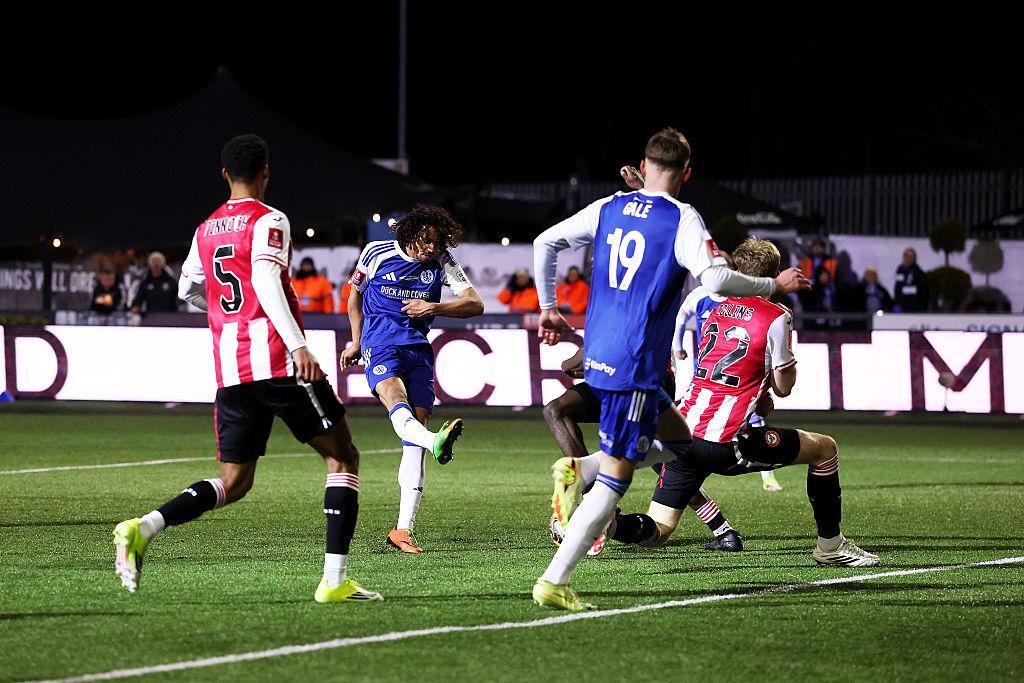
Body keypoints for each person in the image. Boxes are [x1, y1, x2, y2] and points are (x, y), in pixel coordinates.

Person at [530, 128, 809, 611]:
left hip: (599, 352)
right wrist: (771, 284)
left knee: (682, 446)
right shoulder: (681, 217)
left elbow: (544, 242)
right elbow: (718, 278)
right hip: (636, 360)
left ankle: (585, 471)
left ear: (644, 161)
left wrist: (549, 307)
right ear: (687, 172)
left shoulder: (609, 207)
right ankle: (558, 566)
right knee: (617, 475)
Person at [113, 134, 382, 603]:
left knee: (235, 482)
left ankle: (144, 527)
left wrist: (227, 314)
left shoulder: (205, 228)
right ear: (266, 171)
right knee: (343, 458)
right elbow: (261, 277)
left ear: (224, 175)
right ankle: (334, 581)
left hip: (231, 370)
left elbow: (187, 291)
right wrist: (299, 345)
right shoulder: (269, 218)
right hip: (279, 362)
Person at [614, 238, 879, 567]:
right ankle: (830, 546)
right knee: (824, 449)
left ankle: (610, 524)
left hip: (683, 434)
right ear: (775, 274)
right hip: (727, 442)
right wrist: (782, 373)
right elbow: (784, 388)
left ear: (736, 271)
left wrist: (757, 393)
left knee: (660, 530)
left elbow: (729, 371)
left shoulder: (715, 309)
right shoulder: (776, 316)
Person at [341, 204, 484, 553]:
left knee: (413, 438)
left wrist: (433, 307)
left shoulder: (444, 262)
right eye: (426, 240)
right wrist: (357, 341)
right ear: (409, 235)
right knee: (395, 398)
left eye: (437, 242)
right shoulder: (375, 252)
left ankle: (402, 530)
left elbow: (474, 303)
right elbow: (353, 299)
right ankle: (435, 441)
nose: (431, 248)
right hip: (380, 344)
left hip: (418, 350)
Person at [544, 347, 745, 553]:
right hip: (632, 381)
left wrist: (570, 365)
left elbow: (588, 353)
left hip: (643, 384)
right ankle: (724, 532)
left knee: (665, 461)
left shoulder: (618, 314)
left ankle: (597, 501)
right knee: (557, 411)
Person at [894, 248, 929, 312]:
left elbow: (923, 290)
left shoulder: (918, 272)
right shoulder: (900, 270)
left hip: (914, 305)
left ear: (914, 258)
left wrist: (922, 306)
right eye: (905, 256)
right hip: (902, 304)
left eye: (910, 257)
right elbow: (897, 287)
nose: (907, 259)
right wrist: (897, 303)